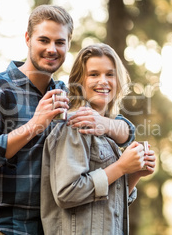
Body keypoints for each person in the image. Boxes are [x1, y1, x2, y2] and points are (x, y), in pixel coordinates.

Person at [0, 5, 135, 235]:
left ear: (68, 45)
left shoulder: (65, 95)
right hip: (1, 229)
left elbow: (125, 131)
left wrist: (108, 125)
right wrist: (34, 125)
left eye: (60, 42)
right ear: (28, 39)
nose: (52, 49)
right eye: (44, 40)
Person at [41, 43, 156, 235]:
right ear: (79, 81)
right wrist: (120, 168)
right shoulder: (76, 124)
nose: (103, 81)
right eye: (94, 74)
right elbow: (67, 193)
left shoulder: (105, 131)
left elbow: (105, 204)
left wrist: (133, 174)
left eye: (109, 74)